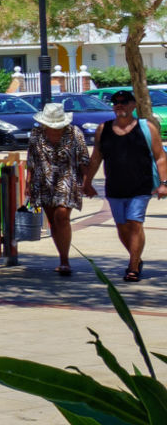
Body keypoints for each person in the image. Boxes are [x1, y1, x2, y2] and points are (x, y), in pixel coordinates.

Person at [83, 89, 167, 281]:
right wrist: (87, 182)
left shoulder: (147, 128)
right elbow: (96, 158)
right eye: (116, 102)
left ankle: (133, 266)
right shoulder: (103, 129)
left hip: (141, 186)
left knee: (135, 223)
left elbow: (160, 156)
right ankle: (135, 257)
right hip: (114, 187)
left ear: (134, 105)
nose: (119, 105)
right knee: (122, 227)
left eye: (124, 101)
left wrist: (164, 183)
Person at [23, 102, 90, 275]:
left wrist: (87, 183)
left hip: (68, 179)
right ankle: (62, 257)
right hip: (43, 181)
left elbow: (84, 159)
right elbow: (31, 160)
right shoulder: (36, 134)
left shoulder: (75, 133)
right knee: (53, 221)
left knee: (62, 216)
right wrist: (27, 183)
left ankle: (65, 261)